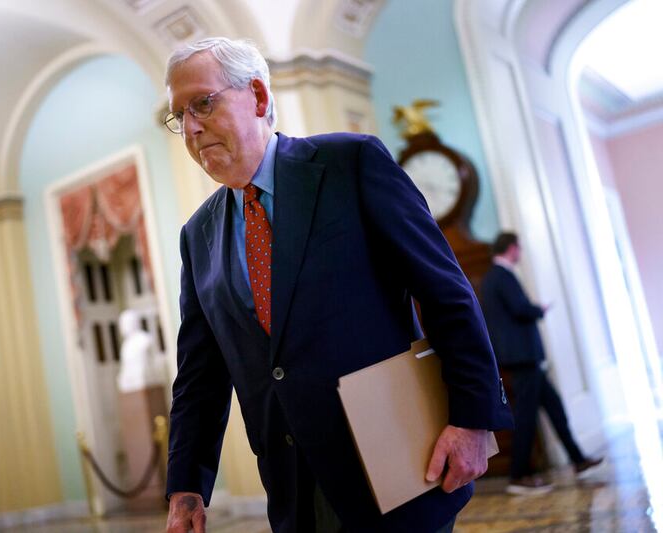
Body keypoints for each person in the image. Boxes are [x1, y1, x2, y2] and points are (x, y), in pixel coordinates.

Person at [163, 37, 513, 533]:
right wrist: (186, 485)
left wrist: (473, 418)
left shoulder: (350, 164)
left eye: (203, 103)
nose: (192, 127)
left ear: (259, 97)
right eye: (179, 116)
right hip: (293, 488)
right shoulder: (197, 236)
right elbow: (200, 375)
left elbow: (445, 292)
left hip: (398, 466)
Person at [479, 232, 602, 495]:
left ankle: (578, 460)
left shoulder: (493, 277)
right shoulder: (502, 275)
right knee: (525, 416)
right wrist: (540, 310)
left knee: (554, 406)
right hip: (523, 357)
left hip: (523, 358)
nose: (520, 254)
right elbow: (520, 308)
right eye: (519, 249)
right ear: (512, 249)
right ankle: (518, 475)